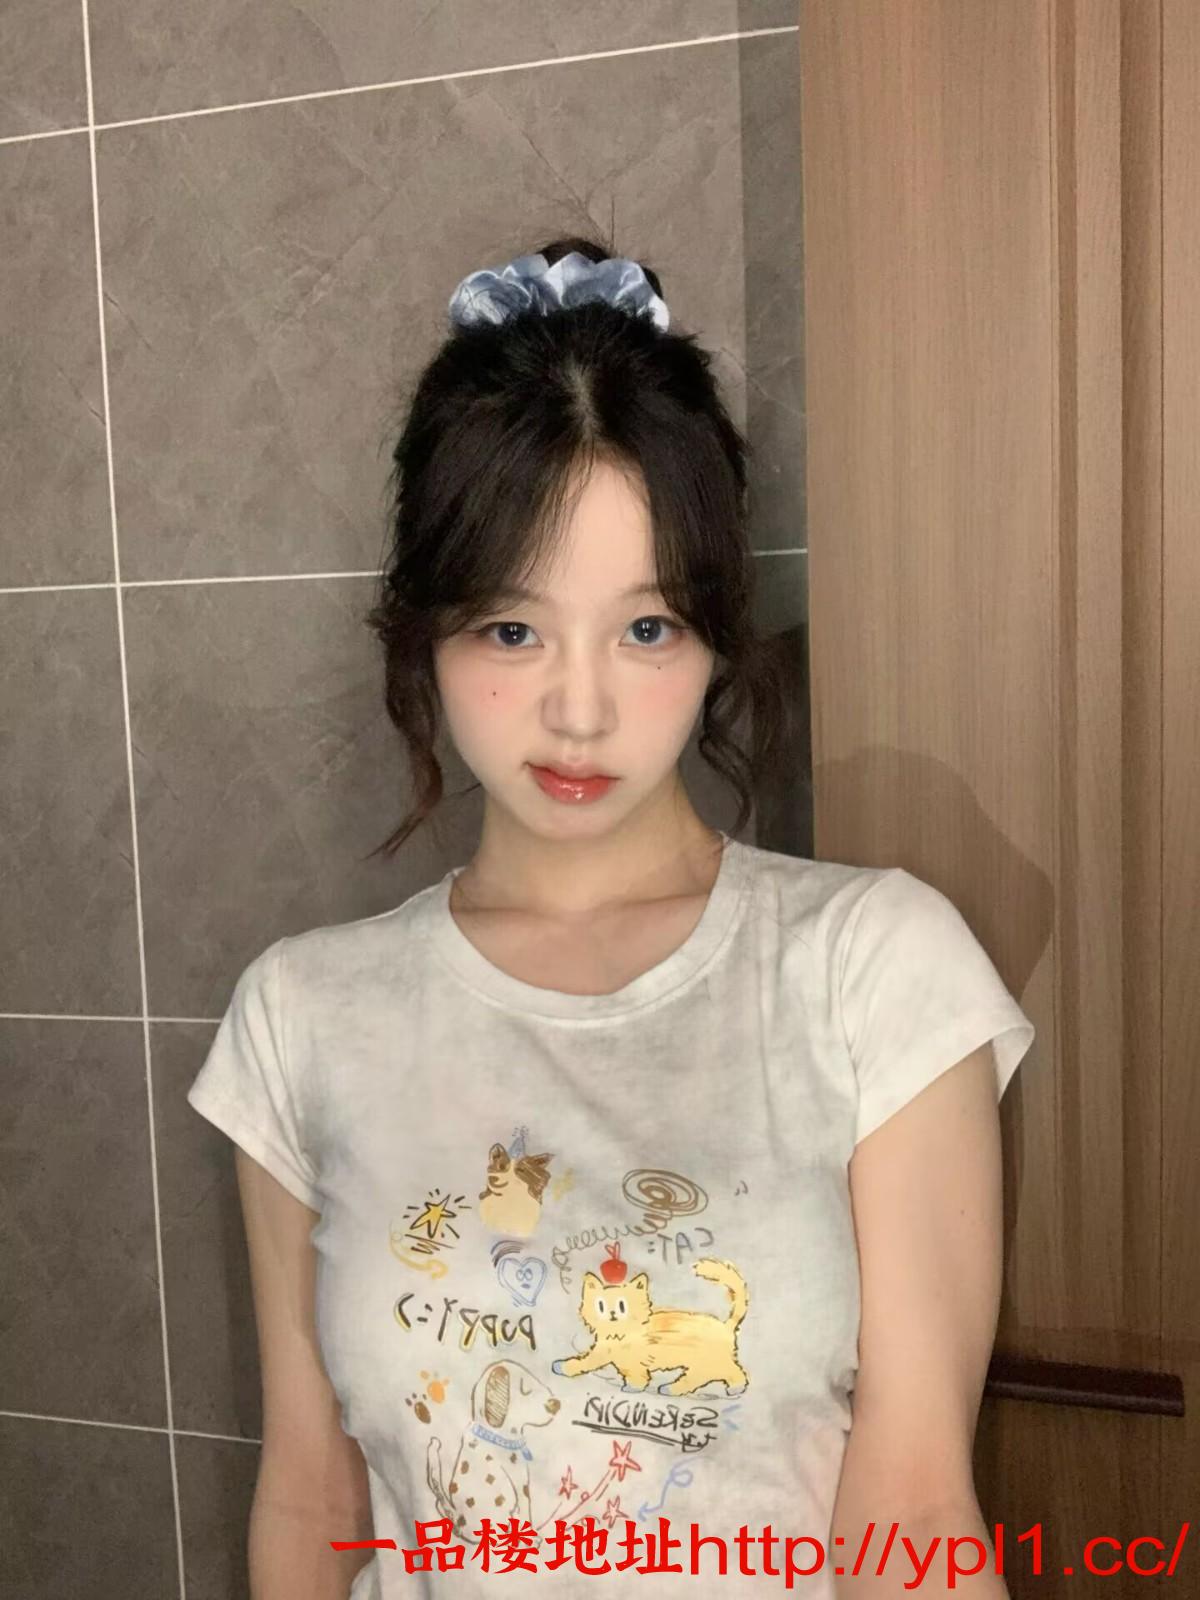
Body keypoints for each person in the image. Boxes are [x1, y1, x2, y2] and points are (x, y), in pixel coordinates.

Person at [187, 235, 1036, 1599]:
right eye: (512, 630)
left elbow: (919, 1516)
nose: (579, 711)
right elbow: (309, 1494)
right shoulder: (300, 1018)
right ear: (423, 632)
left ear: (714, 634)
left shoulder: (873, 970)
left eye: (645, 630)